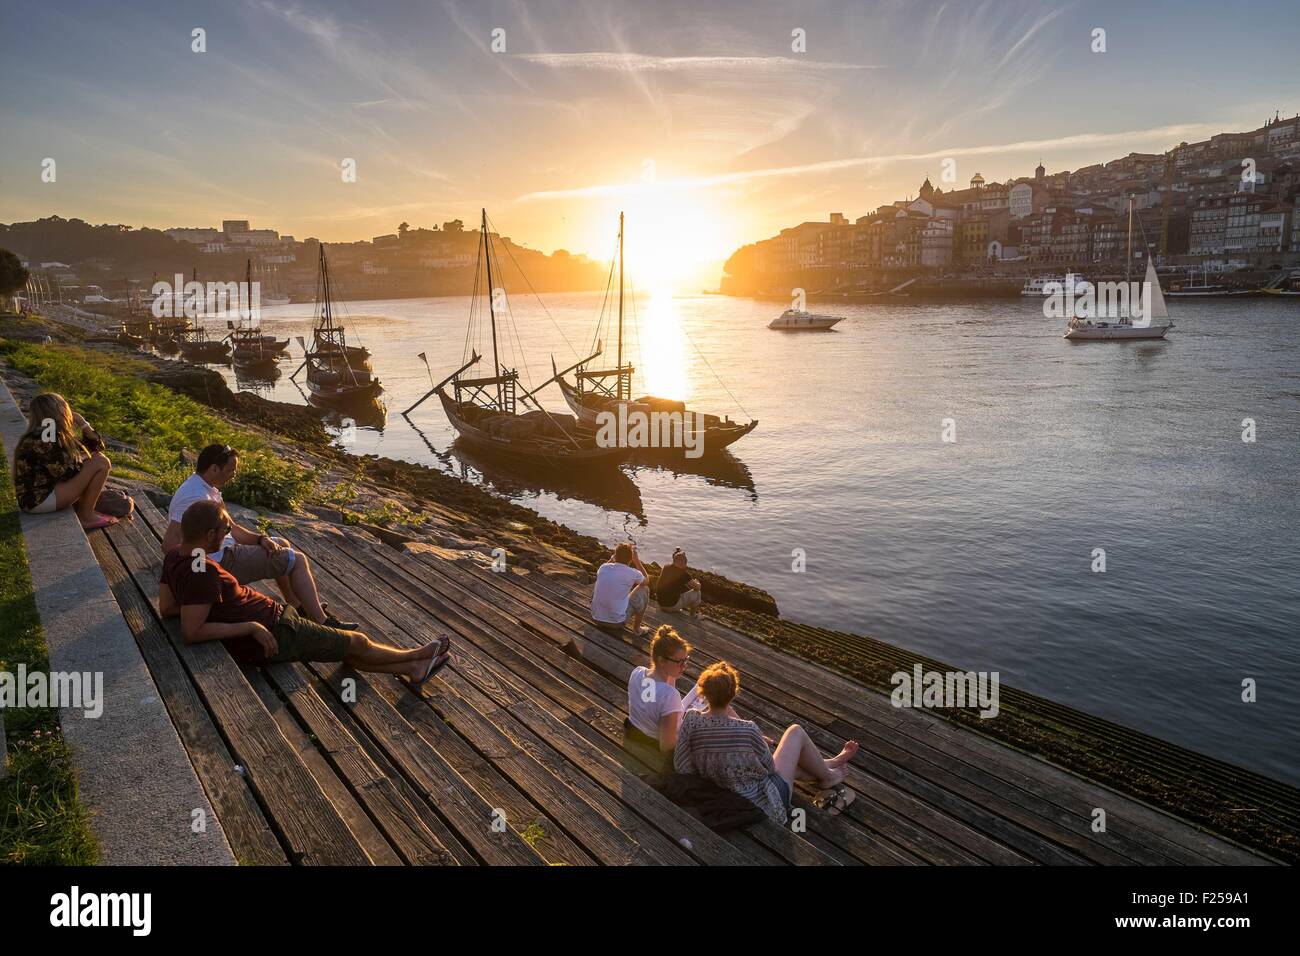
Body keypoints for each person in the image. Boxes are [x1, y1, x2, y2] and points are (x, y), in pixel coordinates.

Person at [159, 500, 450, 683]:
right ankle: (413, 656)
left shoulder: (175, 556)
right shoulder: (202, 571)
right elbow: (192, 631)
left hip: (277, 620)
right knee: (357, 641)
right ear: (209, 535)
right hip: (279, 631)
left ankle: (411, 667)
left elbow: (168, 608)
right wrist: (251, 626)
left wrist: (202, 606)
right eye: (224, 530)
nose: (226, 536)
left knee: (339, 646)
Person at [162, 443, 352, 629]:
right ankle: (322, 621)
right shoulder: (193, 495)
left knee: (280, 543)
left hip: (225, 550)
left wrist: (261, 539)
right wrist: (201, 572)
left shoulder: (206, 488)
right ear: (213, 468)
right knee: (298, 559)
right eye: (230, 470)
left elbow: (233, 528)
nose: (233, 475)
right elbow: (170, 544)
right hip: (222, 559)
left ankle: (295, 605)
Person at [673, 661, 860, 822]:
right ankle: (828, 776)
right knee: (795, 732)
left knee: (775, 758)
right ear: (733, 694)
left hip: (719, 787)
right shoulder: (747, 729)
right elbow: (770, 770)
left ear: (703, 693)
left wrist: (714, 766)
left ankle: (827, 766)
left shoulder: (691, 720)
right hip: (761, 800)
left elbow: (682, 766)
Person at [11, 392, 118, 530]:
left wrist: (83, 423)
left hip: (36, 497)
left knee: (97, 459)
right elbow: (67, 473)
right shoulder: (46, 439)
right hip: (39, 501)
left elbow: (96, 447)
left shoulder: (44, 433)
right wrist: (82, 460)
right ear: (59, 411)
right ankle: (86, 516)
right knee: (102, 463)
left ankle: (86, 510)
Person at [624, 625, 704, 759]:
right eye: (679, 662)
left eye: (686, 660)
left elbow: (649, 700)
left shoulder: (637, 672)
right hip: (653, 744)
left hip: (634, 730)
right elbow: (667, 748)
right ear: (661, 660)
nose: (685, 666)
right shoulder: (669, 695)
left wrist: (672, 674)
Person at [590, 542, 649, 636]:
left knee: (603, 582)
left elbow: (606, 566)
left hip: (595, 618)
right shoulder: (632, 573)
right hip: (616, 623)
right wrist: (637, 561)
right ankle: (637, 629)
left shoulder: (603, 568)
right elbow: (646, 581)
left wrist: (611, 559)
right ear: (630, 559)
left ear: (615, 556)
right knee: (645, 589)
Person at [655, 548, 702, 618]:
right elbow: (697, 588)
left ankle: (678, 605)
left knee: (678, 588)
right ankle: (693, 616)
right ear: (684, 563)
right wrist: (697, 583)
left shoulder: (666, 567)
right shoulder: (683, 574)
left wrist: (680, 554)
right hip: (670, 607)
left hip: (660, 603)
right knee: (697, 593)